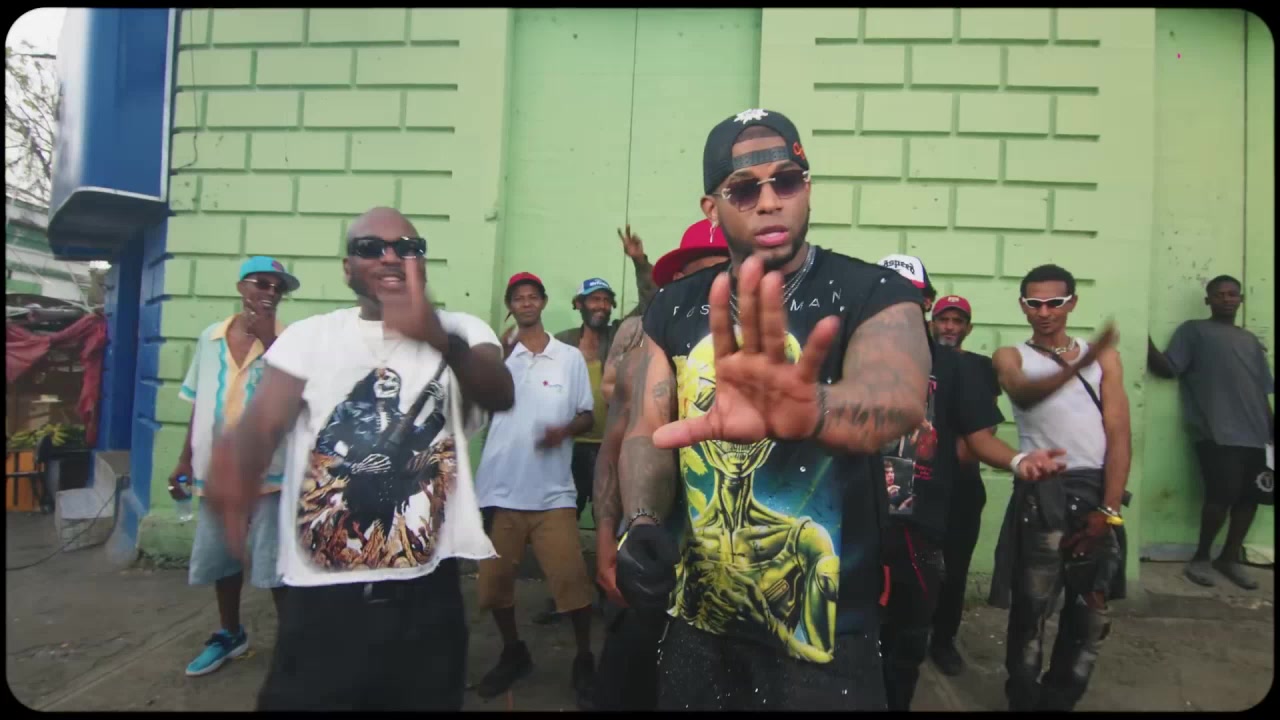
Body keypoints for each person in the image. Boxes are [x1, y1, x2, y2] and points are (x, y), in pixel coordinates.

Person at [615, 107, 933, 711]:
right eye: (744, 189)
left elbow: (897, 398)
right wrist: (642, 522)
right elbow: (645, 430)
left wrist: (814, 411)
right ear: (712, 208)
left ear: (806, 187)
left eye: (786, 181)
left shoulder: (871, 292)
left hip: (828, 643)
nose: (769, 202)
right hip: (696, 623)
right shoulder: (674, 307)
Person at [204, 207, 515, 711]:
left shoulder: (461, 330)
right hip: (323, 604)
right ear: (348, 268)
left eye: (407, 248)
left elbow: (500, 392)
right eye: (371, 248)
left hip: (426, 598)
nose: (391, 257)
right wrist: (235, 472)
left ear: (422, 263)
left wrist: (437, 338)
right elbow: (263, 423)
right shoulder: (311, 337)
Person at [874, 256, 1065, 710]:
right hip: (853, 518)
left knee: (909, 637)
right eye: (882, 293)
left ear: (925, 303)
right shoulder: (844, 355)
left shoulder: (954, 367)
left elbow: (979, 438)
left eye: (906, 296)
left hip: (919, 523)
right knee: (851, 633)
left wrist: (1018, 460)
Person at [589, 218, 730, 711]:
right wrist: (606, 542)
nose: (712, 288)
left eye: (724, 272)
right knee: (630, 683)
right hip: (654, 553)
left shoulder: (776, 350)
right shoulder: (644, 352)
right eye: (698, 275)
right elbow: (614, 445)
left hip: (739, 572)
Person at [988, 263, 1130, 712]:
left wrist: (1109, 511)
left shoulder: (1105, 358)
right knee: (1031, 611)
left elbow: (1119, 435)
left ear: (1072, 303)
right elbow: (1023, 393)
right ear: (1023, 306)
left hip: (1095, 494)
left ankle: (1060, 699)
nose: (1045, 312)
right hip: (1042, 497)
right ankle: (1023, 699)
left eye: (1054, 302)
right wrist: (1079, 365)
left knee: (1090, 613)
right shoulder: (1010, 356)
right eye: (1035, 303)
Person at [168, 256, 297, 677]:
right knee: (223, 557)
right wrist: (185, 458)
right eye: (262, 284)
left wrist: (270, 341)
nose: (270, 293)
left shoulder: (290, 341)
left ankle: (293, 647)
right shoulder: (210, 339)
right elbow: (199, 399)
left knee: (274, 563)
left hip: (270, 473)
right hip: (216, 471)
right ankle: (230, 633)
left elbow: (298, 397)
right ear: (242, 287)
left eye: (278, 287)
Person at [473, 272, 598, 705]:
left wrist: (563, 431)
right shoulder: (497, 356)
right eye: (518, 298)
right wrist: (497, 360)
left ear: (543, 302)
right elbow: (475, 406)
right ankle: (514, 653)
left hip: (553, 493)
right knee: (494, 588)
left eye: (532, 296)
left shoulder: (569, 357)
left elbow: (587, 414)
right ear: (511, 306)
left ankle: (584, 658)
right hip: (499, 490)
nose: (526, 303)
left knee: (573, 586)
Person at [1147, 274, 1274, 590]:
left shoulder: (1249, 341)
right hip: (1217, 431)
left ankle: (1229, 558)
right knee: (1221, 495)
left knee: (1250, 498)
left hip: (1258, 434)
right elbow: (1168, 368)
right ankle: (1201, 558)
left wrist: (1271, 432)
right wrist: (1141, 338)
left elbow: (1261, 390)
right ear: (1208, 300)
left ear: (1241, 300)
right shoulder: (1193, 331)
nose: (1227, 299)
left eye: (1232, 294)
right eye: (1220, 294)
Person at [555, 226, 660, 523]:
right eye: (594, 299)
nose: (601, 306)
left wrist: (639, 261)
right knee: (565, 514)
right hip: (570, 448)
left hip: (611, 444)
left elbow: (651, 301)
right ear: (579, 304)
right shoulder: (562, 343)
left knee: (610, 515)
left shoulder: (619, 335)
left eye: (605, 300)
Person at [927, 294, 1003, 676]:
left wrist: (967, 444)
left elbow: (986, 424)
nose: (950, 327)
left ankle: (943, 641)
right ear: (932, 323)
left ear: (968, 328)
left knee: (955, 569)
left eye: (958, 321)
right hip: (919, 483)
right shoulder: (918, 361)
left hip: (962, 484)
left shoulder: (981, 366)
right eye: (944, 319)